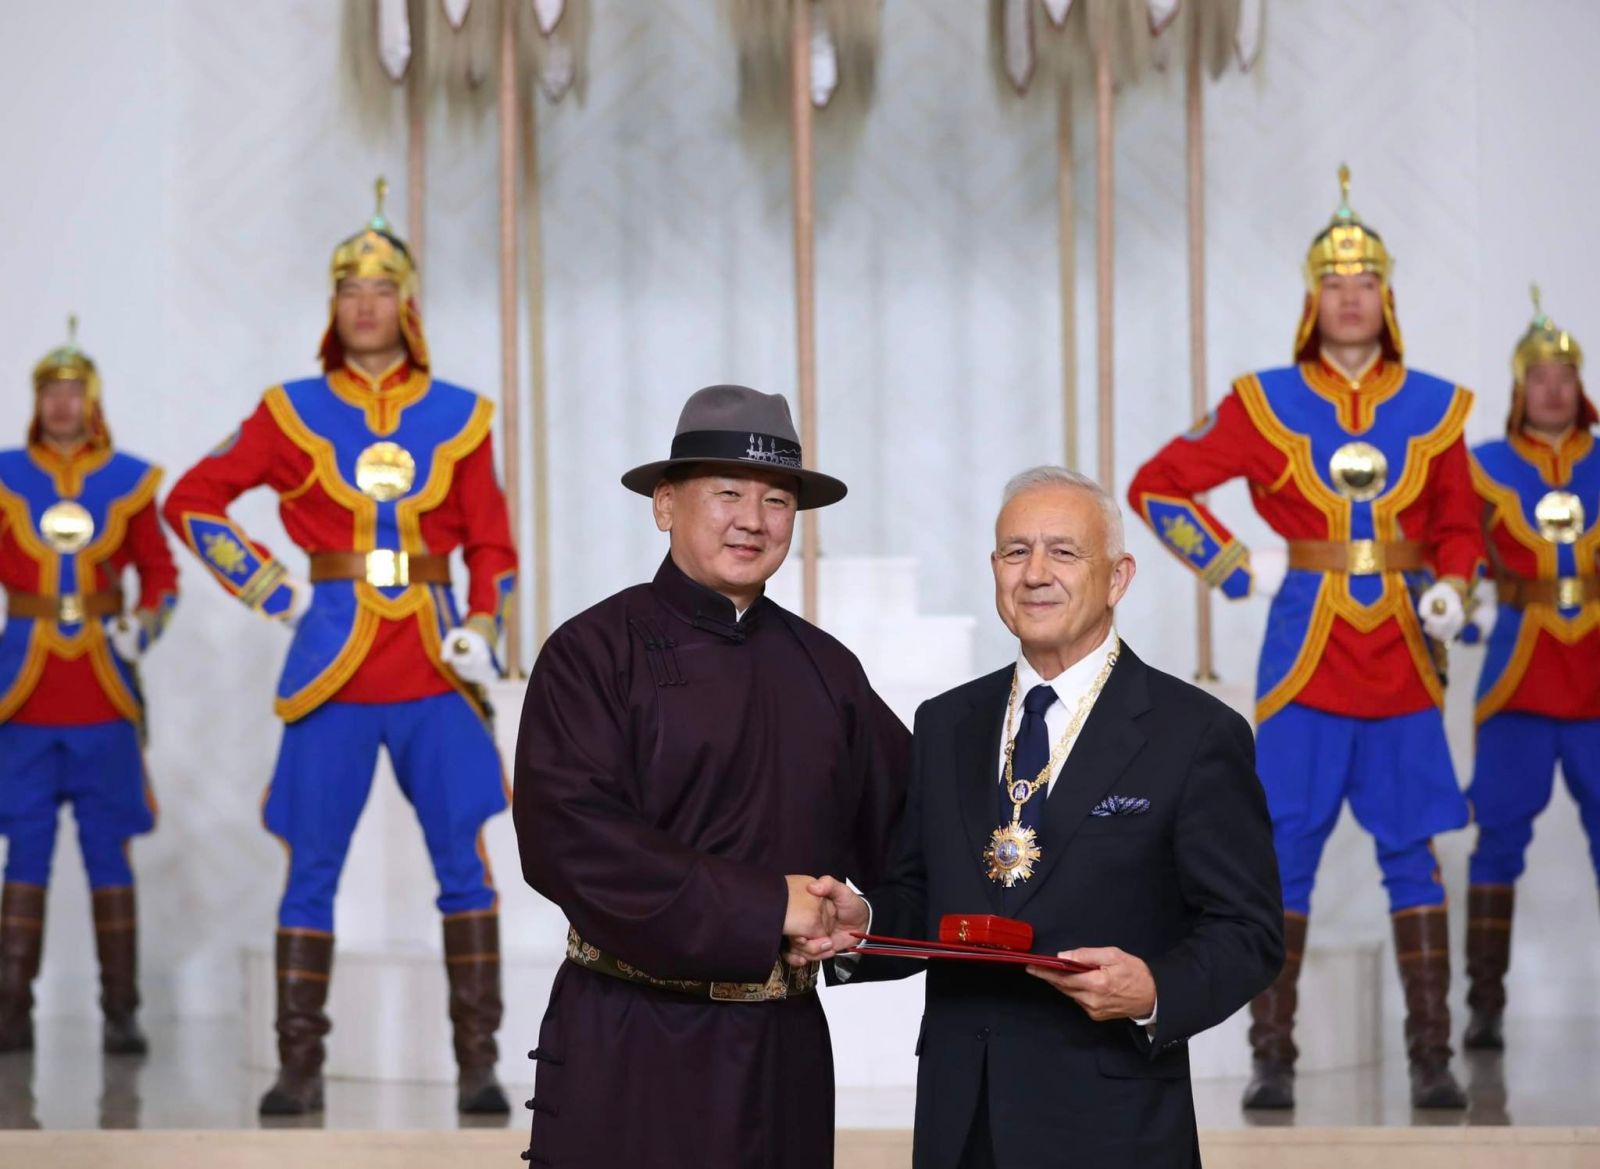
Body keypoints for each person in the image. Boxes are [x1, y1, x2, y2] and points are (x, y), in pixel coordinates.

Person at [793, 467, 1282, 1168]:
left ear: (1118, 577)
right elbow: (924, 895)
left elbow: (1249, 931)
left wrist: (1154, 988)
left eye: (1064, 551)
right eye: (1016, 551)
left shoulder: (1195, 732)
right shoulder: (946, 723)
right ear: (994, 569)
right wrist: (863, 921)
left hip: (1113, 1124)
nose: (1035, 574)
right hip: (961, 1119)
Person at [1125, 166, 1484, 1109]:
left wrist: (1454, 585)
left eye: (1364, 282)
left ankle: (1433, 1055)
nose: (1350, 297)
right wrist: (1235, 563)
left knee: (1413, 853)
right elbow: (1157, 483)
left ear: (1386, 295)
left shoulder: (1437, 406)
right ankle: (1272, 1055)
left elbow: (1459, 525)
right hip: (1304, 660)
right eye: (1334, 283)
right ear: (1311, 298)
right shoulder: (1264, 400)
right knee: (1281, 852)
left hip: (1405, 656)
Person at [161, 181, 518, 1116]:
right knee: (311, 865)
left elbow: (494, 545)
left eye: (382, 287)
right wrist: (271, 588)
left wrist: (485, 623)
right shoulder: (289, 411)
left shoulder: (463, 414)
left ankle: (477, 1063)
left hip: (436, 664)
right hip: (331, 666)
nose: (365, 303)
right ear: (334, 305)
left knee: (464, 865)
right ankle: (300, 1066)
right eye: (349, 289)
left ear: (408, 302)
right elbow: (190, 500)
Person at [513, 384, 910, 1169]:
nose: (753, 520)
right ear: (665, 505)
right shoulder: (590, 653)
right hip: (628, 1044)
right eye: (727, 492)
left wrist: (862, 918)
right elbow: (570, 843)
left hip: (784, 1058)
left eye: (777, 500)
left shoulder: (829, 672)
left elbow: (920, 836)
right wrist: (768, 904)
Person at [0, 318, 178, 1057]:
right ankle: (10, 1012)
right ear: (36, 399)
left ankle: (121, 1011)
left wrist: (143, 625)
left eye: (74, 390)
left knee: (109, 851)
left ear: (93, 400)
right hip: (23, 693)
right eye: (51, 389)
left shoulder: (128, 480)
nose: (62, 403)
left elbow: (161, 576)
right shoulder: (6, 476)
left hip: (104, 692)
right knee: (25, 851)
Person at [1459, 288, 1600, 1051]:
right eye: (1540, 376)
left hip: (1597, 677)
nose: (1553, 388)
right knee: (1498, 836)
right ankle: (1484, 1004)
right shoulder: (1481, 467)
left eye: (1565, 375)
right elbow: (1452, 550)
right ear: (1520, 388)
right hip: (1517, 676)